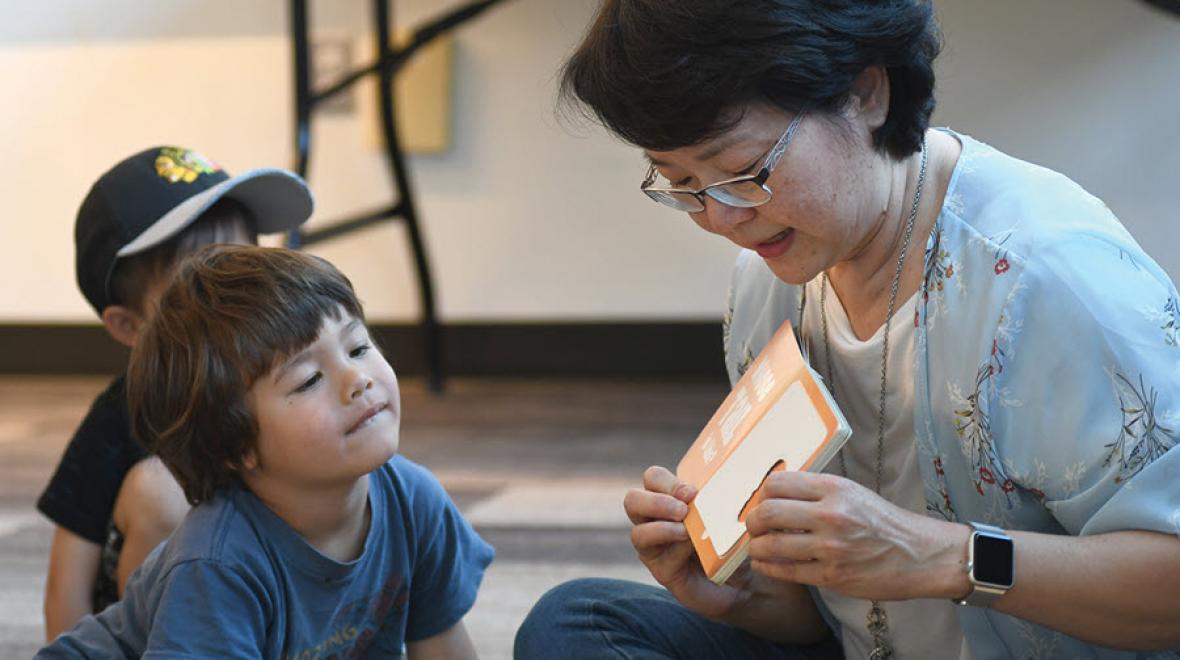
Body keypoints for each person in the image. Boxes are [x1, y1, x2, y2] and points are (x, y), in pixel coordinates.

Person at [515, 1, 1180, 658]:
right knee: (577, 623)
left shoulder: (1044, 281)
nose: (722, 220)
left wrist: (944, 557)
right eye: (682, 183)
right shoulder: (767, 284)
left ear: (866, 91)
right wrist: (738, 594)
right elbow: (832, 620)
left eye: (745, 173)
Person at [37, 245, 495, 658]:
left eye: (357, 347)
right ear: (236, 446)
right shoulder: (218, 563)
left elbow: (443, 646)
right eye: (309, 380)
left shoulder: (413, 501)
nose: (357, 380)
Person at [37, 146, 314, 640]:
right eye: (203, 286)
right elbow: (68, 576)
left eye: (249, 264)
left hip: (265, 605)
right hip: (159, 625)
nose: (240, 297)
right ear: (130, 326)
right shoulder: (122, 415)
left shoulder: (294, 379)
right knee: (158, 490)